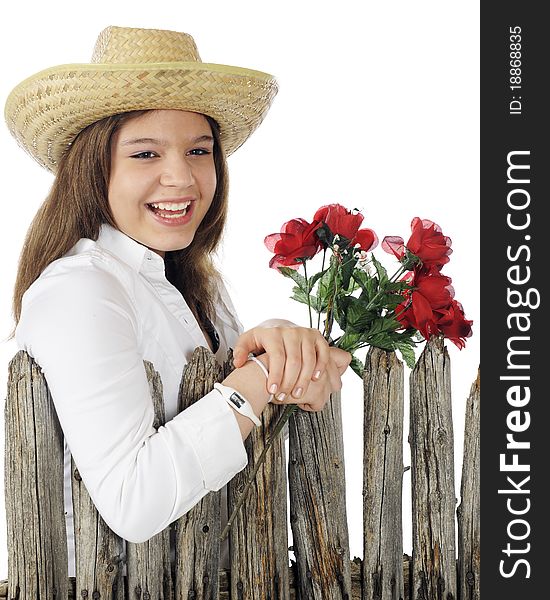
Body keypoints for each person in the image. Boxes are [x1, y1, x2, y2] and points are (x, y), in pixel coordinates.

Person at [4, 25, 351, 574]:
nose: (182, 177)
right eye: (145, 153)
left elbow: (251, 399)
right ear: (95, 170)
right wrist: (261, 379)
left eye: (199, 150)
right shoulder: (80, 289)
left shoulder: (199, 287)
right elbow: (132, 502)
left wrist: (285, 345)